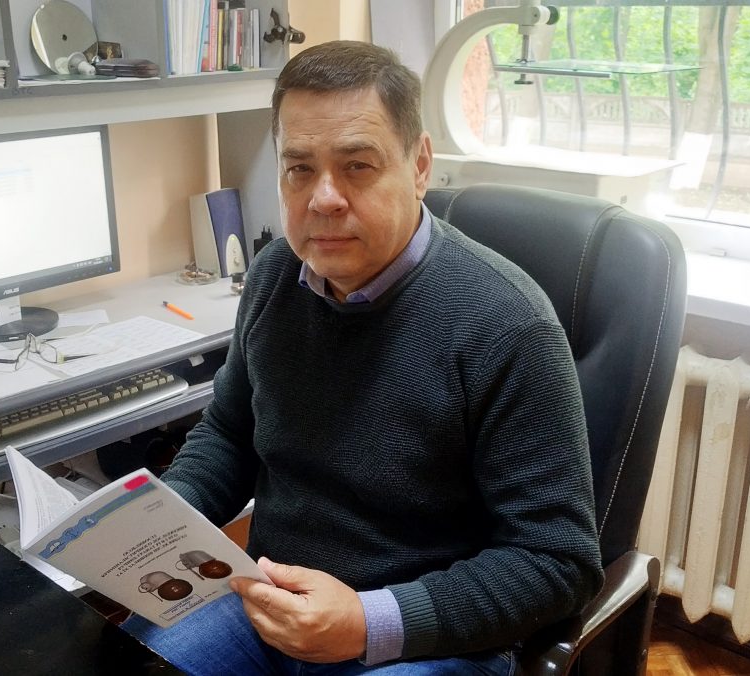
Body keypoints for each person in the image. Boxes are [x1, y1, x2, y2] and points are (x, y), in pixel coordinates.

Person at [122, 40, 603, 675]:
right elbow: (231, 434)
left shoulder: (509, 324)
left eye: (357, 165)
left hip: (424, 634)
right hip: (269, 600)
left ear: (420, 165)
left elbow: (556, 560)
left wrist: (367, 623)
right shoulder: (273, 276)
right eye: (299, 169)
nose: (323, 198)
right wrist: (157, 526)